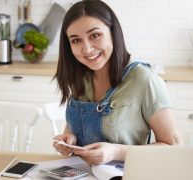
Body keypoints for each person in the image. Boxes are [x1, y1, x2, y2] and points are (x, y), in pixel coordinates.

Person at [53, 0, 183, 165]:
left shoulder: (144, 79)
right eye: (76, 40)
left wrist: (116, 151)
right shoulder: (81, 77)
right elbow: (73, 129)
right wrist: (69, 140)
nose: (86, 49)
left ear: (113, 32)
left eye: (95, 35)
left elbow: (174, 147)